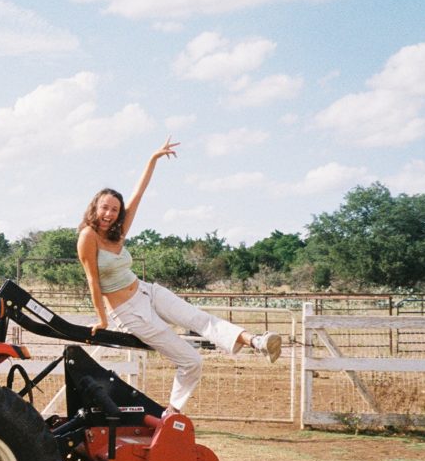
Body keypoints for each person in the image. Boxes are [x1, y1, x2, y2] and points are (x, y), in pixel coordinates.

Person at [77, 137, 281, 417]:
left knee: (199, 318)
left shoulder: (119, 231)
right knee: (192, 360)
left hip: (147, 291)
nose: (109, 214)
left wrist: (153, 158)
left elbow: (139, 193)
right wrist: (102, 319)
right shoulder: (87, 236)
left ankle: (257, 342)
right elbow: (92, 280)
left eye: (114, 209)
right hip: (129, 312)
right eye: (104, 207)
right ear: (95, 207)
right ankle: (171, 414)